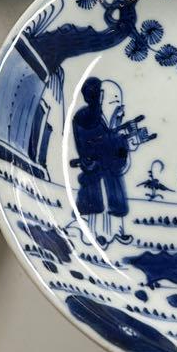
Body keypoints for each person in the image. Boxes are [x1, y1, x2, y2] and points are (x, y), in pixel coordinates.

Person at [72, 77, 147, 248]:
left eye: (120, 103)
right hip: (95, 170)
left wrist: (127, 142)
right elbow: (96, 144)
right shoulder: (85, 118)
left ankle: (117, 232)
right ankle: (96, 234)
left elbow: (113, 143)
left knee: (115, 200)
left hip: (111, 169)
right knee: (98, 203)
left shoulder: (107, 121)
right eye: (115, 102)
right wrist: (120, 140)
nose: (120, 108)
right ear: (101, 97)